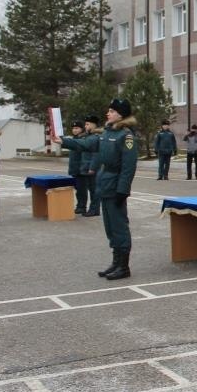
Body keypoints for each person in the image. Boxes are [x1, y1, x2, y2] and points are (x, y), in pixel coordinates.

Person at [59, 99, 138, 280]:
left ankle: (124, 266)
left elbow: (128, 167)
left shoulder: (125, 136)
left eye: (111, 111)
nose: (107, 113)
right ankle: (116, 261)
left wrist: (123, 190)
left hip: (116, 185)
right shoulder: (106, 133)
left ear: (120, 114)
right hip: (105, 182)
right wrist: (63, 141)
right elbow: (85, 144)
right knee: (110, 226)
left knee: (119, 226)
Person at [81, 115, 102, 217]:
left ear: (94, 125)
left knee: (94, 190)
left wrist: (92, 168)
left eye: (87, 124)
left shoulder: (96, 137)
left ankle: (94, 209)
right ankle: (94, 209)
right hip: (87, 166)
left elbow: (96, 154)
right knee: (91, 188)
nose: (85, 126)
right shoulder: (88, 136)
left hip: (93, 168)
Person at [66, 118, 87, 214]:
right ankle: (79, 205)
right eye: (73, 128)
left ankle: (82, 207)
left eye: (77, 128)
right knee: (78, 189)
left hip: (81, 170)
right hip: (74, 169)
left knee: (82, 190)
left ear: (82, 129)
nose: (75, 130)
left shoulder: (83, 140)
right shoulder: (73, 140)